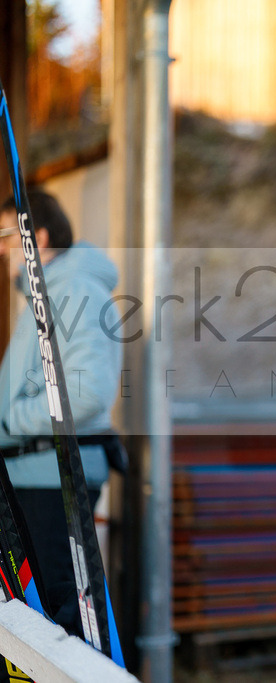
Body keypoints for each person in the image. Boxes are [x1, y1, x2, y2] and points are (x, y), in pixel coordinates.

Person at [0, 190, 122, 638]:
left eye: (6, 234)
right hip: (37, 478)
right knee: (41, 620)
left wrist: (11, 420)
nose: (0, 247)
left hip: (55, 484)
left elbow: (87, 391)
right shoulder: (44, 293)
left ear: (40, 236)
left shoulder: (73, 289)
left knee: (57, 621)